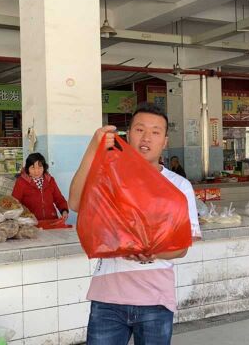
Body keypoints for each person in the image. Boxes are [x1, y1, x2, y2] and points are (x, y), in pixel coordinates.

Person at [69, 105, 201, 345]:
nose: (146, 137)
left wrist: (148, 252)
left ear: (165, 141)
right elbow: (75, 202)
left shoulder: (179, 187)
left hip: (155, 300)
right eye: (139, 130)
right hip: (108, 299)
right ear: (128, 135)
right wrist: (93, 147)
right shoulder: (110, 176)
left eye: (155, 132)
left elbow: (181, 248)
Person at [12, 153, 69, 220]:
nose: (36, 171)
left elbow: (59, 198)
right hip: (30, 223)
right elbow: (14, 203)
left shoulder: (50, 180)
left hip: (51, 221)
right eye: (33, 168)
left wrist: (64, 211)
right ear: (27, 168)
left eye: (40, 167)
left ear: (44, 167)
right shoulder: (21, 182)